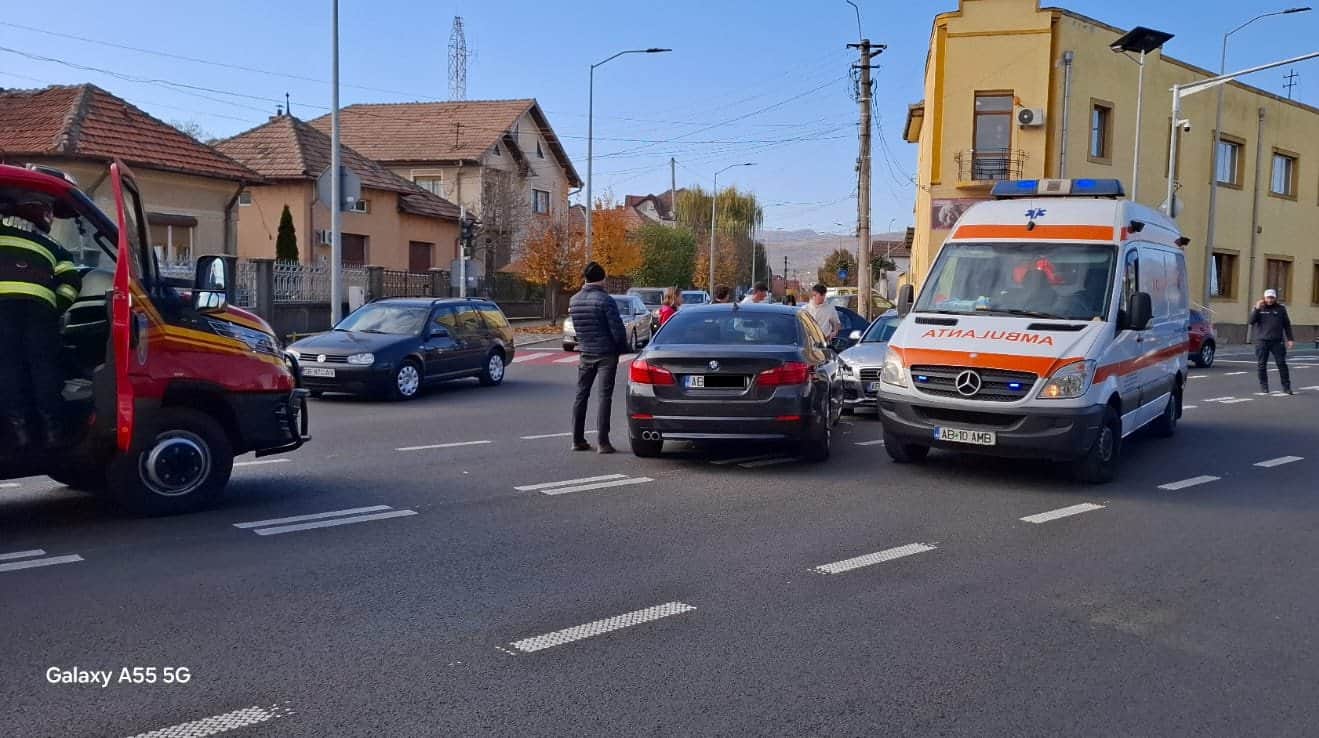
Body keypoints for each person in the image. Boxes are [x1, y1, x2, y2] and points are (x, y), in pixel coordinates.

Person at [0, 191, 82, 448]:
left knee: (9, 367)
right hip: (39, 311)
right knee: (44, 369)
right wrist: (55, 307)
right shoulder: (53, 246)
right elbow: (72, 281)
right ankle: (52, 433)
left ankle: (19, 432)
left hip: (3, 308)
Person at [568, 261, 627, 453]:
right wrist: (622, 348)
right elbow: (617, 329)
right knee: (604, 397)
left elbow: (578, 328)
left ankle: (577, 439)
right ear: (602, 279)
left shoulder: (574, 300)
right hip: (606, 353)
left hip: (586, 352)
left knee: (581, 395)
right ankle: (603, 442)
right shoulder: (606, 300)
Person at [1250, 288, 1295, 395]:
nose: (1270, 300)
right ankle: (1264, 386)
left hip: (1277, 341)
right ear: (1264, 298)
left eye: (1272, 298)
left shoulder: (1281, 309)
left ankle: (1286, 387)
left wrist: (1290, 339)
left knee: (1281, 364)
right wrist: (1256, 309)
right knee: (1261, 364)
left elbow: (1287, 325)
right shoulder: (1259, 308)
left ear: (1275, 298)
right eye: (1268, 298)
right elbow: (1251, 321)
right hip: (1262, 341)